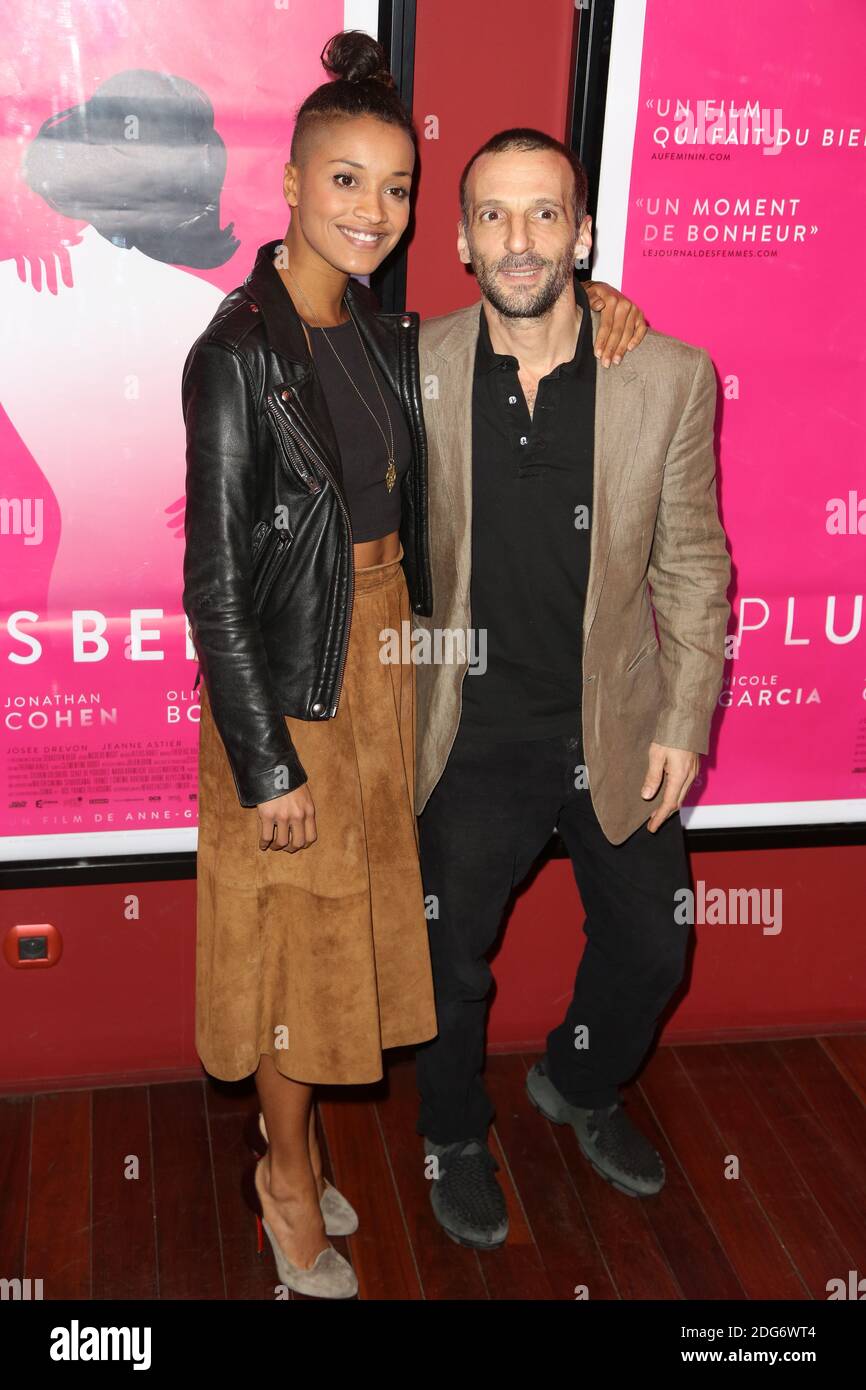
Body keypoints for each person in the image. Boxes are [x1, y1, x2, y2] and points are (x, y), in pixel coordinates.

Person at [182, 35, 647, 1297]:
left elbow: (514, 333)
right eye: (345, 182)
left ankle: (302, 1134)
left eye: (394, 189)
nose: (372, 213)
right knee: (297, 953)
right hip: (297, 691)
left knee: (351, 949)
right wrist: (269, 760)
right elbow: (213, 587)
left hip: (394, 674)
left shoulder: (387, 334)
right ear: (286, 183)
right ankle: (280, 1177)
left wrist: (602, 303)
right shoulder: (237, 354)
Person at [413, 128, 732, 1249]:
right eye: (492, 215)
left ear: (582, 234)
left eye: (544, 213)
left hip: (616, 725)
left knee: (652, 946)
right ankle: (450, 1130)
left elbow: (692, 564)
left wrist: (685, 722)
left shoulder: (667, 378)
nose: (518, 239)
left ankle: (573, 1084)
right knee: (448, 965)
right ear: (457, 239)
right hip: (465, 729)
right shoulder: (414, 367)